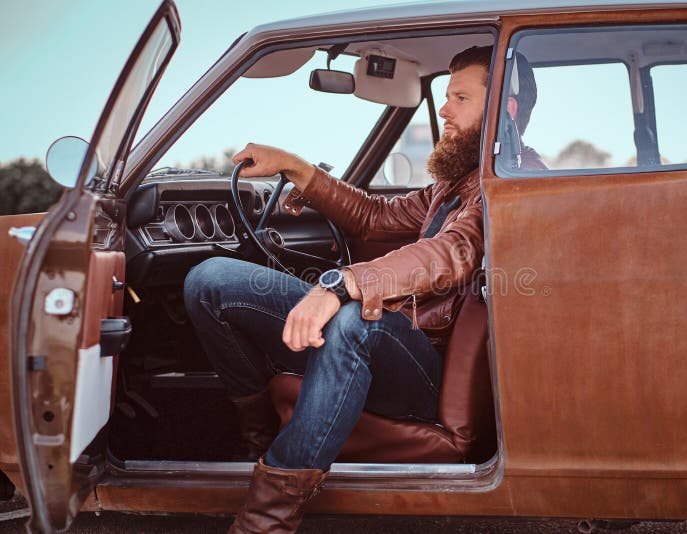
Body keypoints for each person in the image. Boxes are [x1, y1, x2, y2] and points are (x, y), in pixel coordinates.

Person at [183, 45, 538, 534]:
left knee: (355, 319)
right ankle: (260, 442)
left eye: (460, 97)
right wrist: (297, 167)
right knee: (211, 282)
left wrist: (343, 284)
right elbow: (375, 217)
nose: (444, 109)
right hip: (397, 337)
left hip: (423, 366)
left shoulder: (504, 187)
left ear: (504, 110)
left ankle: (266, 519)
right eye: (447, 96)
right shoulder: (455, 182)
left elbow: (453, 252)